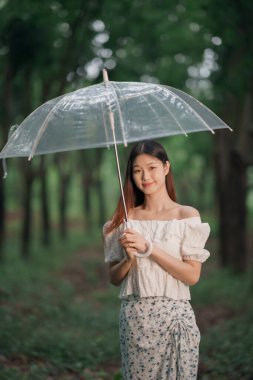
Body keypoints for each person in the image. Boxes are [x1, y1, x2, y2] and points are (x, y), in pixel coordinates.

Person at [103, 140, 210, 380]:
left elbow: (192, 276)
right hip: (135, 320)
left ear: (166, 167)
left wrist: (148, 247)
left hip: (176, 319)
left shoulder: (187, 216)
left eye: (151, 168)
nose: (145, 176)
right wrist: (130, 259)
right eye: (137, 170)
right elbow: (113, 277)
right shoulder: (123, 220)